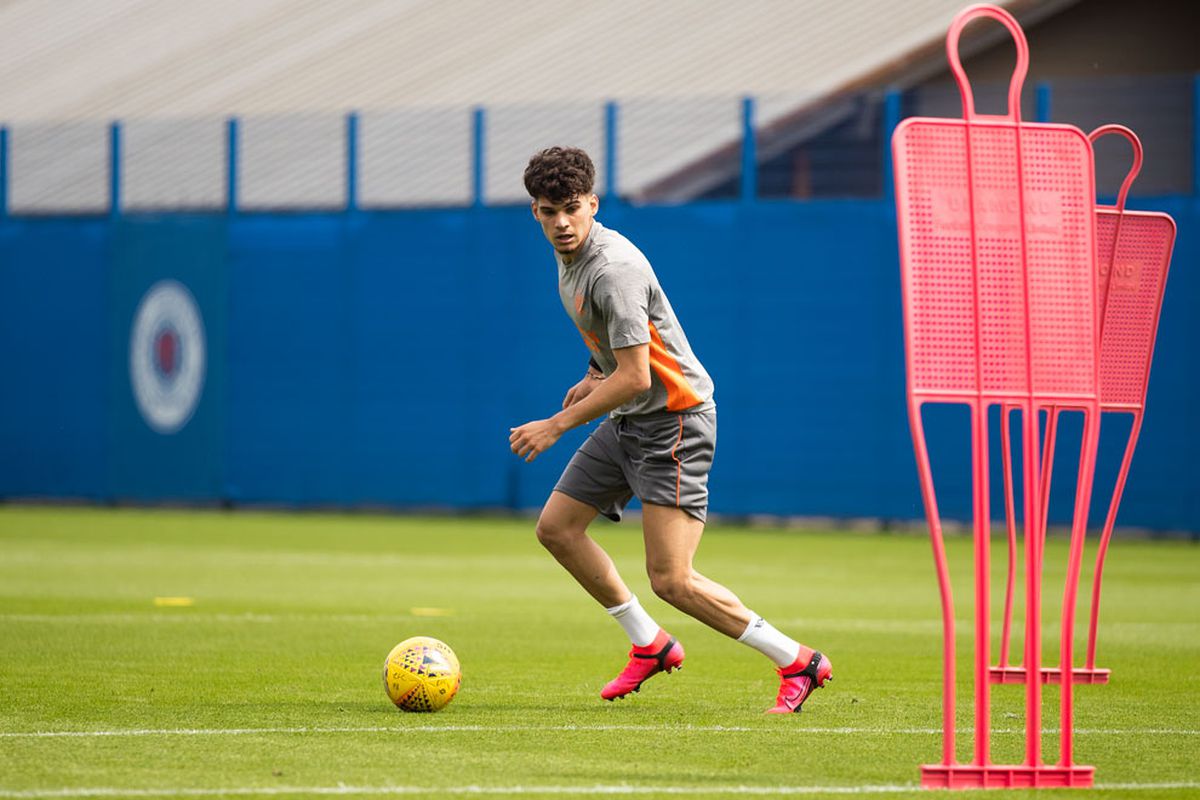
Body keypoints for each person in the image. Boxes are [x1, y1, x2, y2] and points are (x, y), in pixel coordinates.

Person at [509, 146, 831, 713]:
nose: (560, 222)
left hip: (674, 423)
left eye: (570, 208)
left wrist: (556, 425)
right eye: (545, 210)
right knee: (557, 529)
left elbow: (635, 377)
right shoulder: (570, 257)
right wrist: (592, 374)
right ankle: (649, 644)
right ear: (534, 212)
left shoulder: (614, 269)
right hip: (631, 419)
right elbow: (621, 356)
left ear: (592, 204)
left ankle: (797, 660)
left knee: (672, 580)